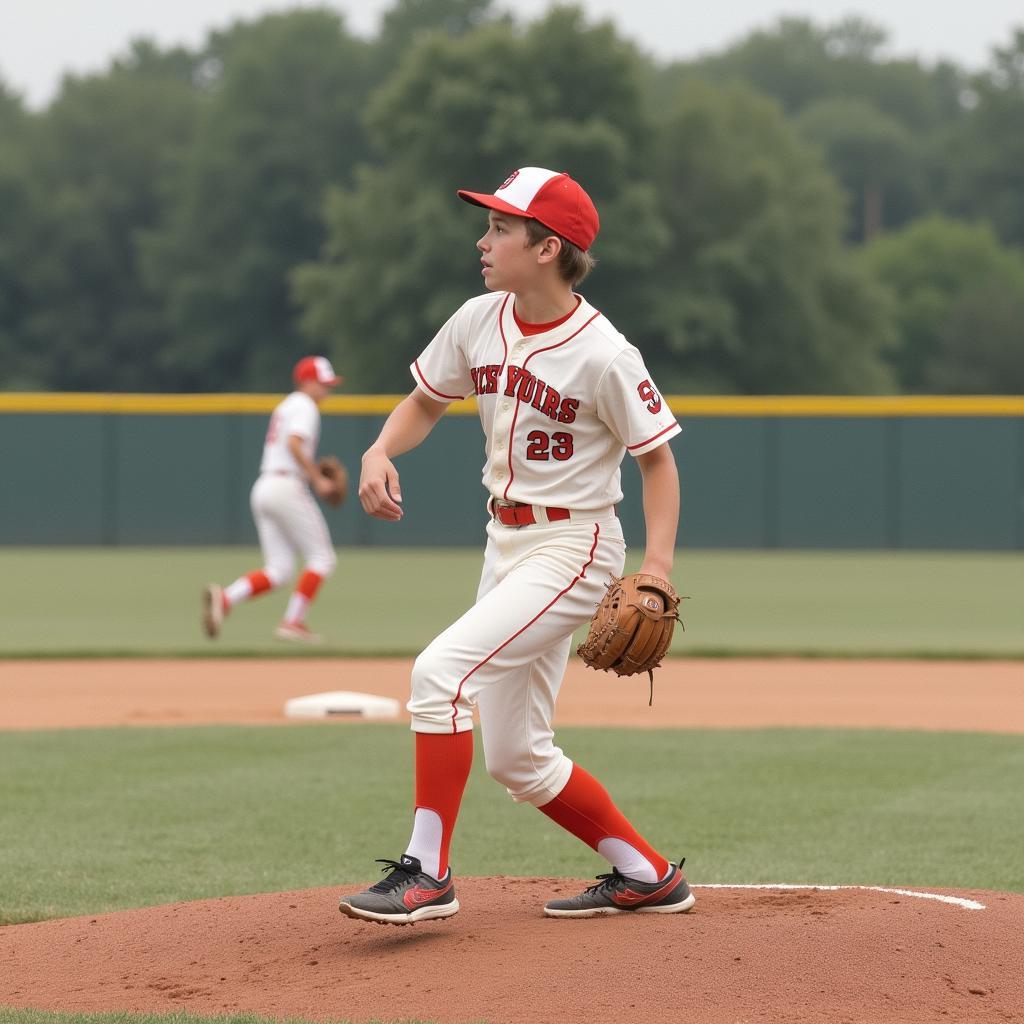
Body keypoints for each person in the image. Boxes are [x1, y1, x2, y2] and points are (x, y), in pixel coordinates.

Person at [339, 167, 692, 924]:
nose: (483, 239)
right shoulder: (479, 319)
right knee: (516, 756)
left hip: (576, 546)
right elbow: (426, 400)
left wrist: (656, 568)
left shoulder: (605, 354)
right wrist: (379, 451)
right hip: (506, 542)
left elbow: (657, 459)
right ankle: (648, 873)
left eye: (500, 227)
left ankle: (426, 873)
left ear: (547, 248)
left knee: (439, 674)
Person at [202, 355, 342, 643]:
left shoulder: (287, 404)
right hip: (287, 486)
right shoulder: (305, 405)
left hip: (265, 486)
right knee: (322, 558)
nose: (327, 390)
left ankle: (225, 599)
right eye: (322, 383)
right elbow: (293, 443)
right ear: (305, 381)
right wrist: (317, 478)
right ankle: (293, 621)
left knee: (279, 570)